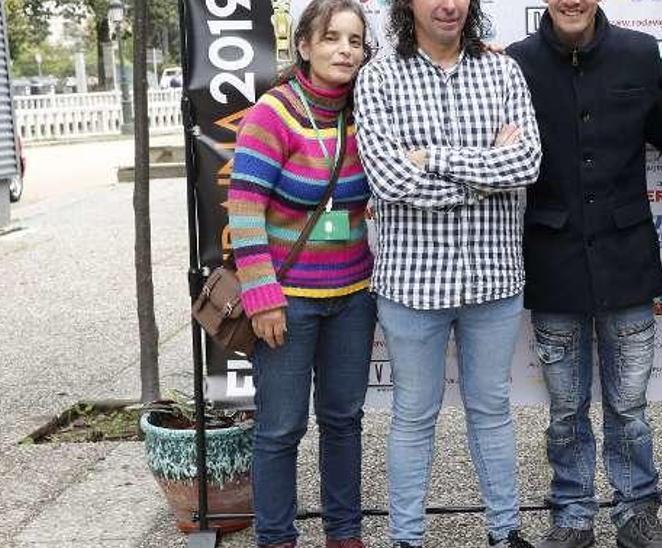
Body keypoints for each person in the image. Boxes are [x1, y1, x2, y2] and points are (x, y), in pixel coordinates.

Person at [353, 0, 543, 546]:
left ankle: (504, 532)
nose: (448, 4)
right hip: (412, 285)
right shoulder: (379, 77)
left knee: (492, 410)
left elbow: (526, 164)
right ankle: (407, 538)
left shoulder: (503, 70)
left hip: (493, 278)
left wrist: (430, 157)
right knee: (413, 416)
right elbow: (389, 182)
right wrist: (486, 170)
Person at [505, 1, 662, 547]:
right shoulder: (517, 63)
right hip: (552, 263)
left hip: (627, 260)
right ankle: (573, 516)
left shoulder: (639, 52)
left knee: (630, 408)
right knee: (564, 410)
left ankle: (637, 514)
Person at [228, 1, 375, 547]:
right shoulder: (274, 112)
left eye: (355, 40)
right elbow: (243, 208)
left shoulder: (369, 107)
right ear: (305, 46)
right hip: (286, 302)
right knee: (280, 430)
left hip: (353, 297)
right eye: (332, 37)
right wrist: (262, 295)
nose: (344, 49)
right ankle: (276, 538)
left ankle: (344, 534)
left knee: (343, 422)